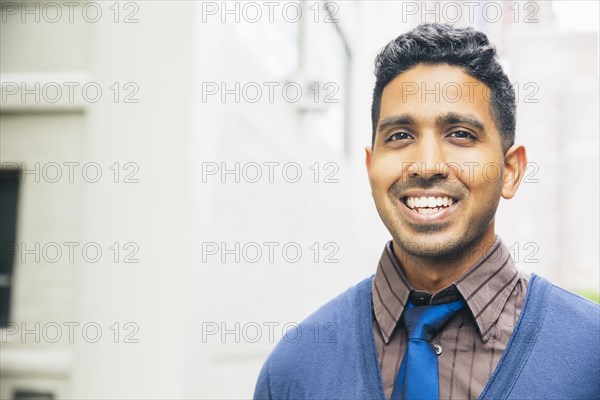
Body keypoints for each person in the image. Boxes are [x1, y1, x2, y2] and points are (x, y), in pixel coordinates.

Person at [253, 23, 599, 400]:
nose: (427, 164)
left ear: (510, 171)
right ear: (371, 169)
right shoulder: (295, 369)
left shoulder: (589, 355)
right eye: (400, 136)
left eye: (460, 134)